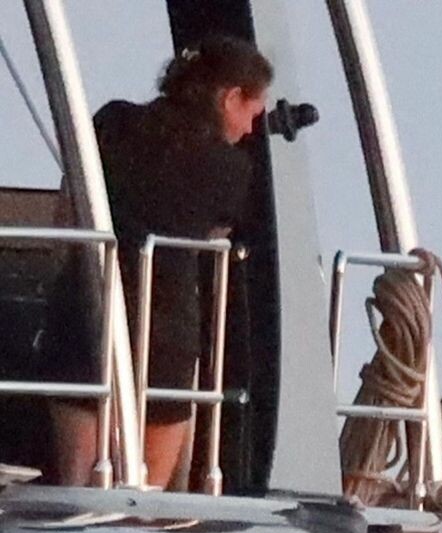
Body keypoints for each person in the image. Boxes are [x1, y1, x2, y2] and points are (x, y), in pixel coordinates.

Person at [44, 35, 272, 488]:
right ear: (230, 97)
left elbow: (70, 203)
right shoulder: (230, 168)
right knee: (146, 495)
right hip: (164, 334)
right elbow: (214, 233)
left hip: (83, 315)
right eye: (252, 112)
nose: (250, 129)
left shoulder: (113, 122)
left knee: (76, 484)